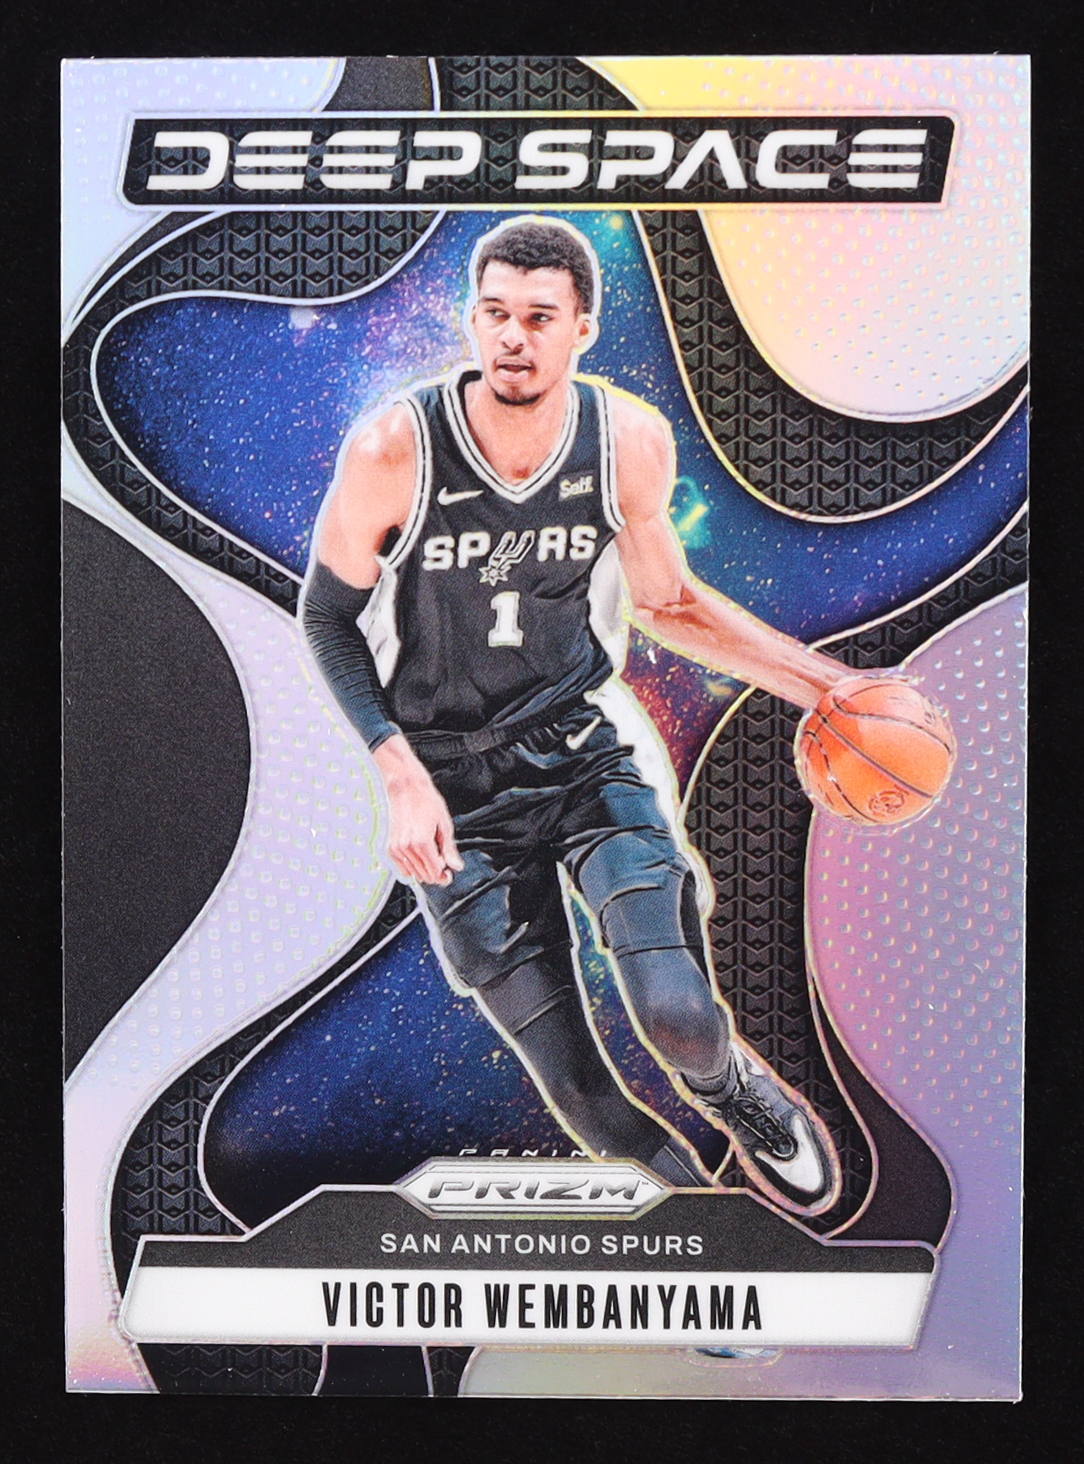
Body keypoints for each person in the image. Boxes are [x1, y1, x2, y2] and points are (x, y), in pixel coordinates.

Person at [302, 217, 853, 1215]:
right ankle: (700, 1231)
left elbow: (670, 604)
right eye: (495, 314)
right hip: (451, 787)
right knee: (582, 1092)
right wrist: (399, 772)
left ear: (582, 329)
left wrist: (824, 685)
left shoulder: (625, 441)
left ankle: (735, 1090)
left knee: (679, 1015)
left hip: (578, 754)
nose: (513, 337)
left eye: (539, 317)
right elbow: (327, 617)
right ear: (473, 321)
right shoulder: (395, 448)